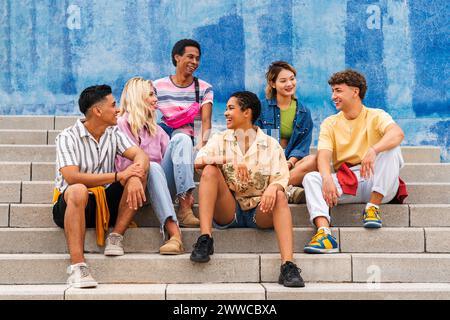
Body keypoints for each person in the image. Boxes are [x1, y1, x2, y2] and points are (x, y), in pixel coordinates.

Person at [191, 91, 305, 288]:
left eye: (231, 108)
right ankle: (205, 239)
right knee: (209, 170)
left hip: (259, 211)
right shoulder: (220, 139)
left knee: (278, 194)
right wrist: (229, 159)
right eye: (226, 109)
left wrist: (274, 188)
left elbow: (282, 177)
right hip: (229, 210)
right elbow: (198, 162)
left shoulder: (270, 144)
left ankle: (288, 265)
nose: (225, 113)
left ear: (247, 113)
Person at [52, 85, 149, 288]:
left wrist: (132, 176)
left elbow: (139, 155)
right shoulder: (67, 137)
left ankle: (115, 237)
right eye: (113, 105)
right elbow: (71, 176)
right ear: (97, 111)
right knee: (78, 189)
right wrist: (119, 175)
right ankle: (78, 267)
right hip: (73, 205)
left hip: (104, 205)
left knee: (138, 175)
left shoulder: (113, 133)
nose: (118, 110)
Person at [302, 69, 405, 254]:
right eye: (332, 91)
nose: (333, 96)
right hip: (349, 181)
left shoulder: (376, 115)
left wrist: (373, 150)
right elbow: (324, 155)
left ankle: (373, 207)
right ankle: (324, 234)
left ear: (355, 91)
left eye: (338, 91)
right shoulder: (330, 123)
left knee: (392, 148)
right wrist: (326, 178)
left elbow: (397, 133)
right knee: (311, 178)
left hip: (379, 181)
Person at [115, 77, 183, 255]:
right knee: (151, 166)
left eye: (155, 94)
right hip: (133, 187)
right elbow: (124, 165)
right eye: (151, 94)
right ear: (138, 97)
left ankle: (185, 200)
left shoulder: (156, 129)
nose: (156, 99)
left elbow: (172, 159)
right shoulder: (121, 124)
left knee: (181, 138)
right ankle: (174, 233)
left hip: (159, 186)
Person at [153, 39, 213, 227]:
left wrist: (202, 147)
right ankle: (184, 205)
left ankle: (185, 205)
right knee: (180, 138)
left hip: (190, 148)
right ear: (176, 57)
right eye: (189, 57)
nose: (194, 62)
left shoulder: (203, 88)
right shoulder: (157, 86)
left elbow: (205, 122)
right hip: (164, 152)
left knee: (184, 139)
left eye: (197, 58)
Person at [256, 61, 316, 203]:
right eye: (283, 81)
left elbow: (303, 145)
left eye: (292, 78)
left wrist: (289, 163)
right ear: (273, 83)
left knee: (315, 160)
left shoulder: (303, 111)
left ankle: (276, 186)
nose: (289, 84)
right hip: (266, 161)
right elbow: (255, 141)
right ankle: (288, 189)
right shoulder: (260, 108)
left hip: (291, 162)